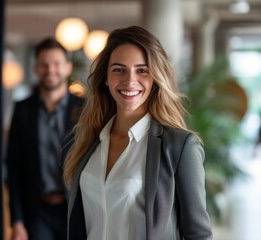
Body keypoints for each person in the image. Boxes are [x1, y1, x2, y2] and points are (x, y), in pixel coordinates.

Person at [63, 26, 212, 240]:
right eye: (118, 69)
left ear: (155, 79)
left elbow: (198, 234)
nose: (130, 80)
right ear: (106, 77)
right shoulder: (91, 139)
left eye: (142, 70)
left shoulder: (180, 146)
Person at [6, 37, 84, 240]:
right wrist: (17, 221)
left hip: (76, 210)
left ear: (67, 67)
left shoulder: (85, 109)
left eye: (56, 64)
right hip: (38, 210)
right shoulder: (23, 109)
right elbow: (14, 168)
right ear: (36, 68)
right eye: (44, 64)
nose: (51, 70)